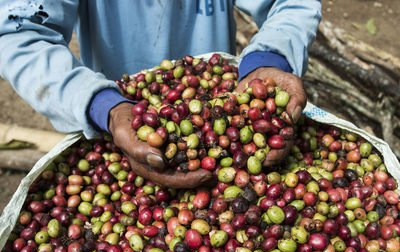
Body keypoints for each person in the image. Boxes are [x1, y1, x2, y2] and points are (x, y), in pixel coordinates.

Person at [0, 0, 321, 188]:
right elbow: (17, 32)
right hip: (117, 128)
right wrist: (104, 107)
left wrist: (269, 59)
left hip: (225, 93)